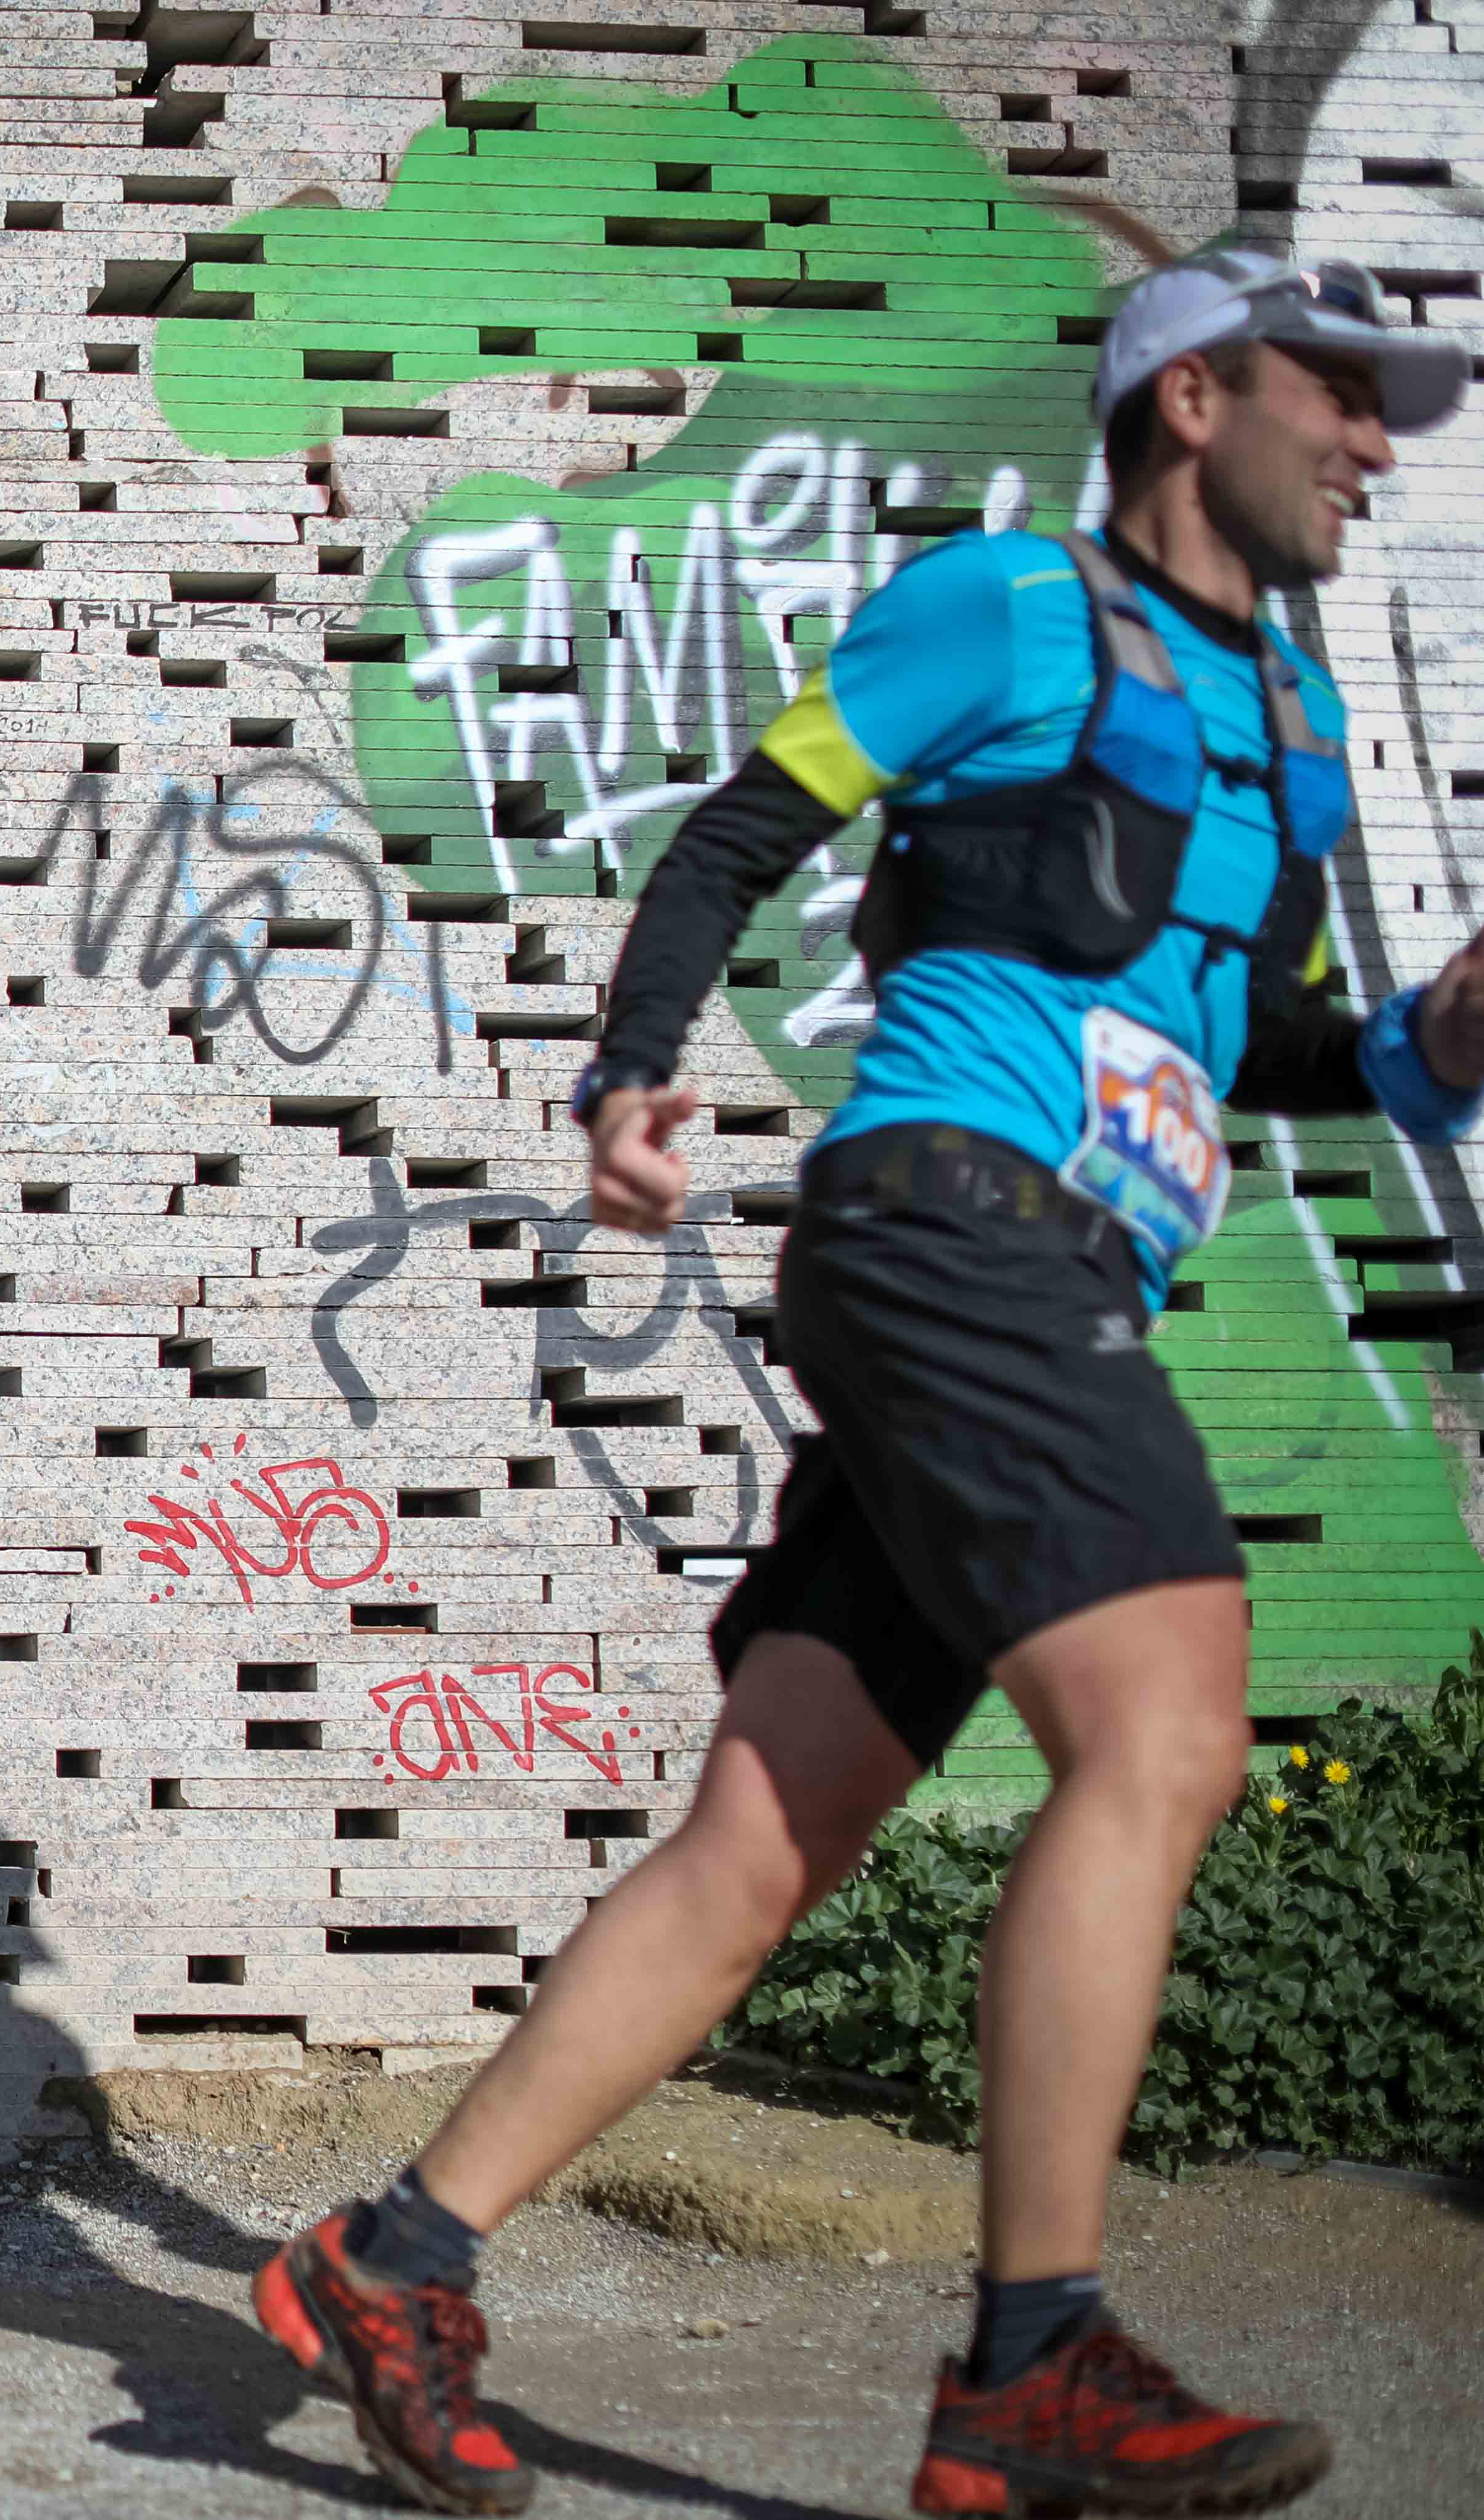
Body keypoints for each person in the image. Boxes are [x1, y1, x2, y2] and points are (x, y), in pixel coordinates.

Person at [254, 251, 1478, 2517]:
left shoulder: (1294, 719)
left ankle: (391, 2257)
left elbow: (1278, 1045)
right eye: (1338, 392)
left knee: (772, 1833)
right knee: (1169, 1722)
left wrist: (1448, 1033)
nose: (1374, 443)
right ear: (1192, 400)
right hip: (951, 1230)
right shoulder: (1006, 611)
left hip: (1044, 1268)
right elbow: (745, 829)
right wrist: (631, 1069)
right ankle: (1035, 2362)